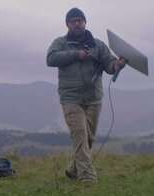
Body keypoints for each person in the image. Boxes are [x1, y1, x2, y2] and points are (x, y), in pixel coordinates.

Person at [47, 7, 126, 183]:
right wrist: (76, 54)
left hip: (93, 98)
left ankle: (73, 170)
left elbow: (109, 64)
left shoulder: (98, 45)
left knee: (89, 138)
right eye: (74, 20)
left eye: (80, 20)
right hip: (70, 98)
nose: (77, 23)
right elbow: (50, 59)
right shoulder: (60, 43)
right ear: (67, 24)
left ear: (85, 22)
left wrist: (117, 65)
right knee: (80, 135)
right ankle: (88, 178)